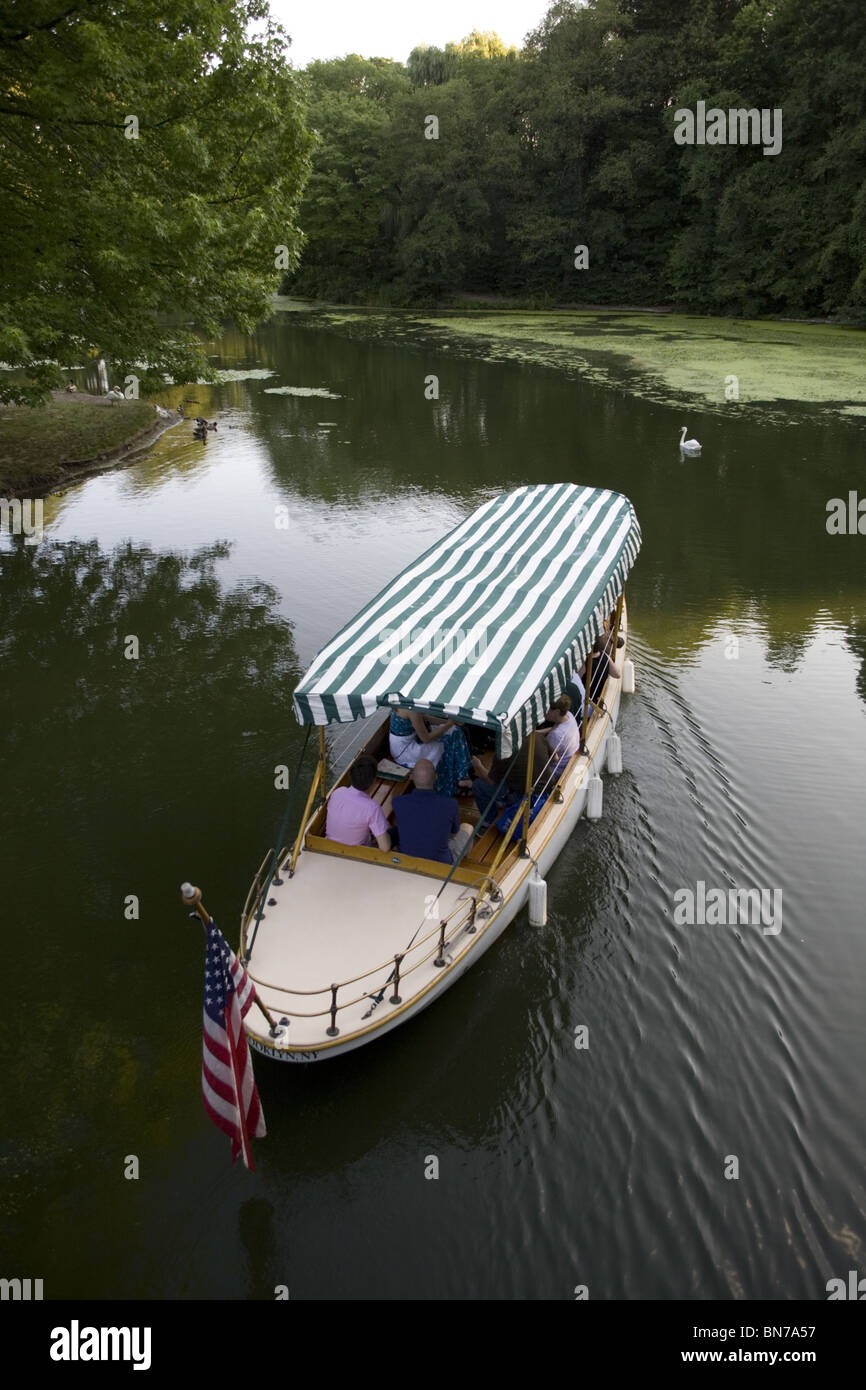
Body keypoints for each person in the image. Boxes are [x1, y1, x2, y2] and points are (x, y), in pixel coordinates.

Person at [392, 759, 472, 865]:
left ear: (411, 777)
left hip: (407, 861)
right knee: (467, 827)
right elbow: (454, 832)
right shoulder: (450, 804)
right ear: (436, 777)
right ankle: (465, 865)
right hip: (441, 864)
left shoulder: (398, 802)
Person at [388, 706, 473, 797]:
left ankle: (462, 775)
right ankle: (447, 785)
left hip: (410, 740)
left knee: (455, 730)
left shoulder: (405, 704)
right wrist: (448, 724)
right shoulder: (411, 709)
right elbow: (426, 738)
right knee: (443, 746)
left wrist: (451, 723)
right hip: (405, 750)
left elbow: (424, 717)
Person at [325, 754, 391, 851]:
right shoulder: (372, 808)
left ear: (351, 776)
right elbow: (385, 848)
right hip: (355, 854)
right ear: (374, 782)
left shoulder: (337, 792)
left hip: (328, 847)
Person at [544, 695, 580, 777]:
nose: (545, 712)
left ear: (556, 711)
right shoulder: (569, 716)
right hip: (568, 758)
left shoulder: (556, 735)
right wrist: (537, 732)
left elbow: (548, 758)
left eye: (548, 709)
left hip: (556, 771)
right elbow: (554, 728)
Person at [586, 633, 621, 706]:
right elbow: (617, 675)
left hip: (589, 700)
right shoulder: (604, 655)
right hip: (599, 696)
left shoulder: (586, 662)